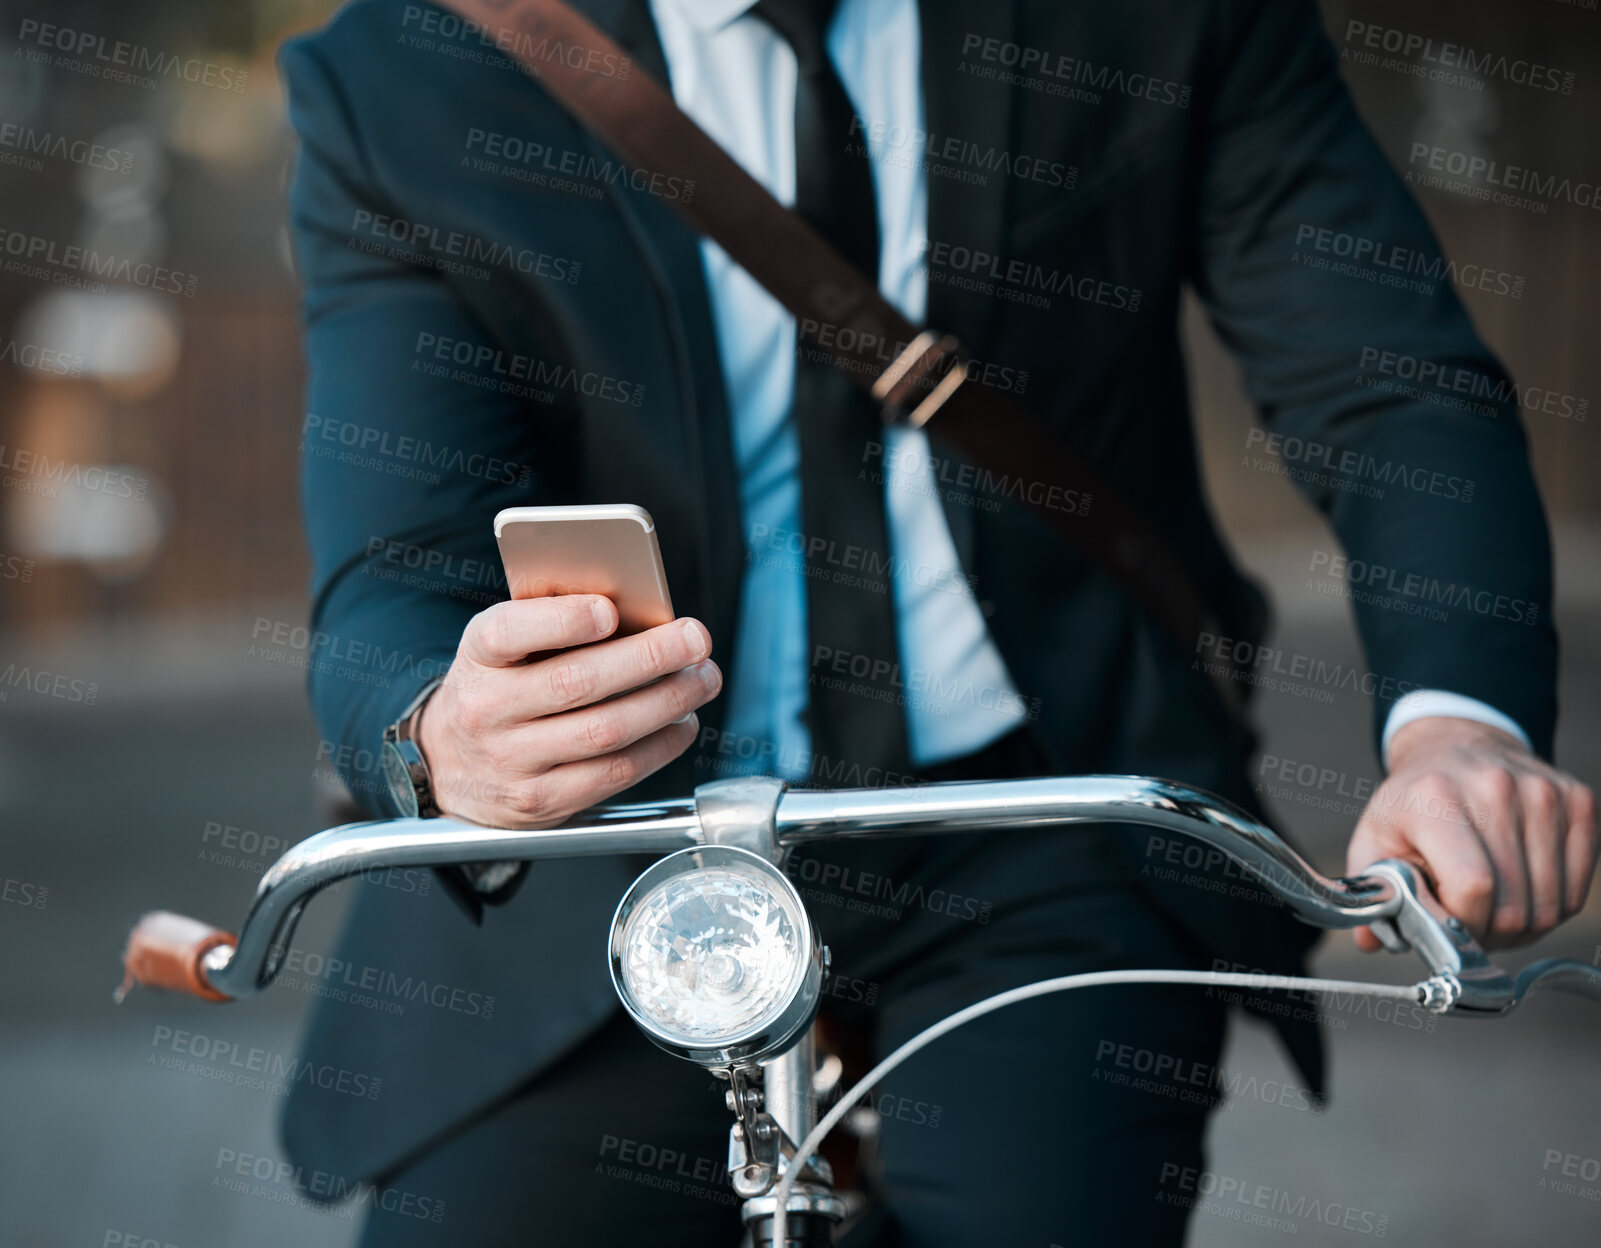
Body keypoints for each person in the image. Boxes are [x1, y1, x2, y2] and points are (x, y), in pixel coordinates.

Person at [277, 0, 1596, 1243]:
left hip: (1049, 813)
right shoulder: (403, 75)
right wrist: (440, 729)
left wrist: (1453, 731)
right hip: (606, 846)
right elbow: (394, 560)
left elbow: (1382, 383)